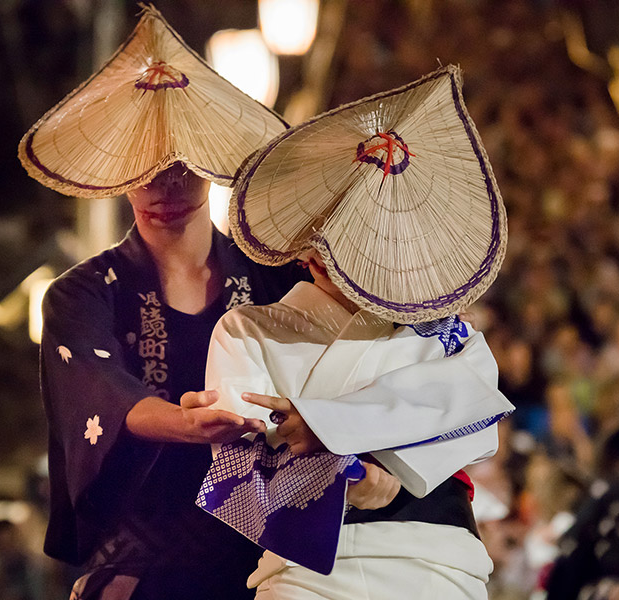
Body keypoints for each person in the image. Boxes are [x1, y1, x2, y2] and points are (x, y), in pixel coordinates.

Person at [21, 7, 406, 599]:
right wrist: (181, 421)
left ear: (208, 166)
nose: (164, 187)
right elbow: (96, 390)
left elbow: (353, 373)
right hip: (141, 558)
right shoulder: (81, 293)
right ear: (121, 175)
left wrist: (375, 464)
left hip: (269, 558)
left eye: (180, 167)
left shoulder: (276, 277)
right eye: (144, 170)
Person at [198, 66, 514, 598]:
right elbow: (244, 467)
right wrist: (346, 473)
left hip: (435, 561)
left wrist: (330, 430)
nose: (324, 250)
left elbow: (478, 422)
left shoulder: (450, 337)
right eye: (320, 228)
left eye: (349, 236)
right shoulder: (246, 330)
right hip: (303, 573)